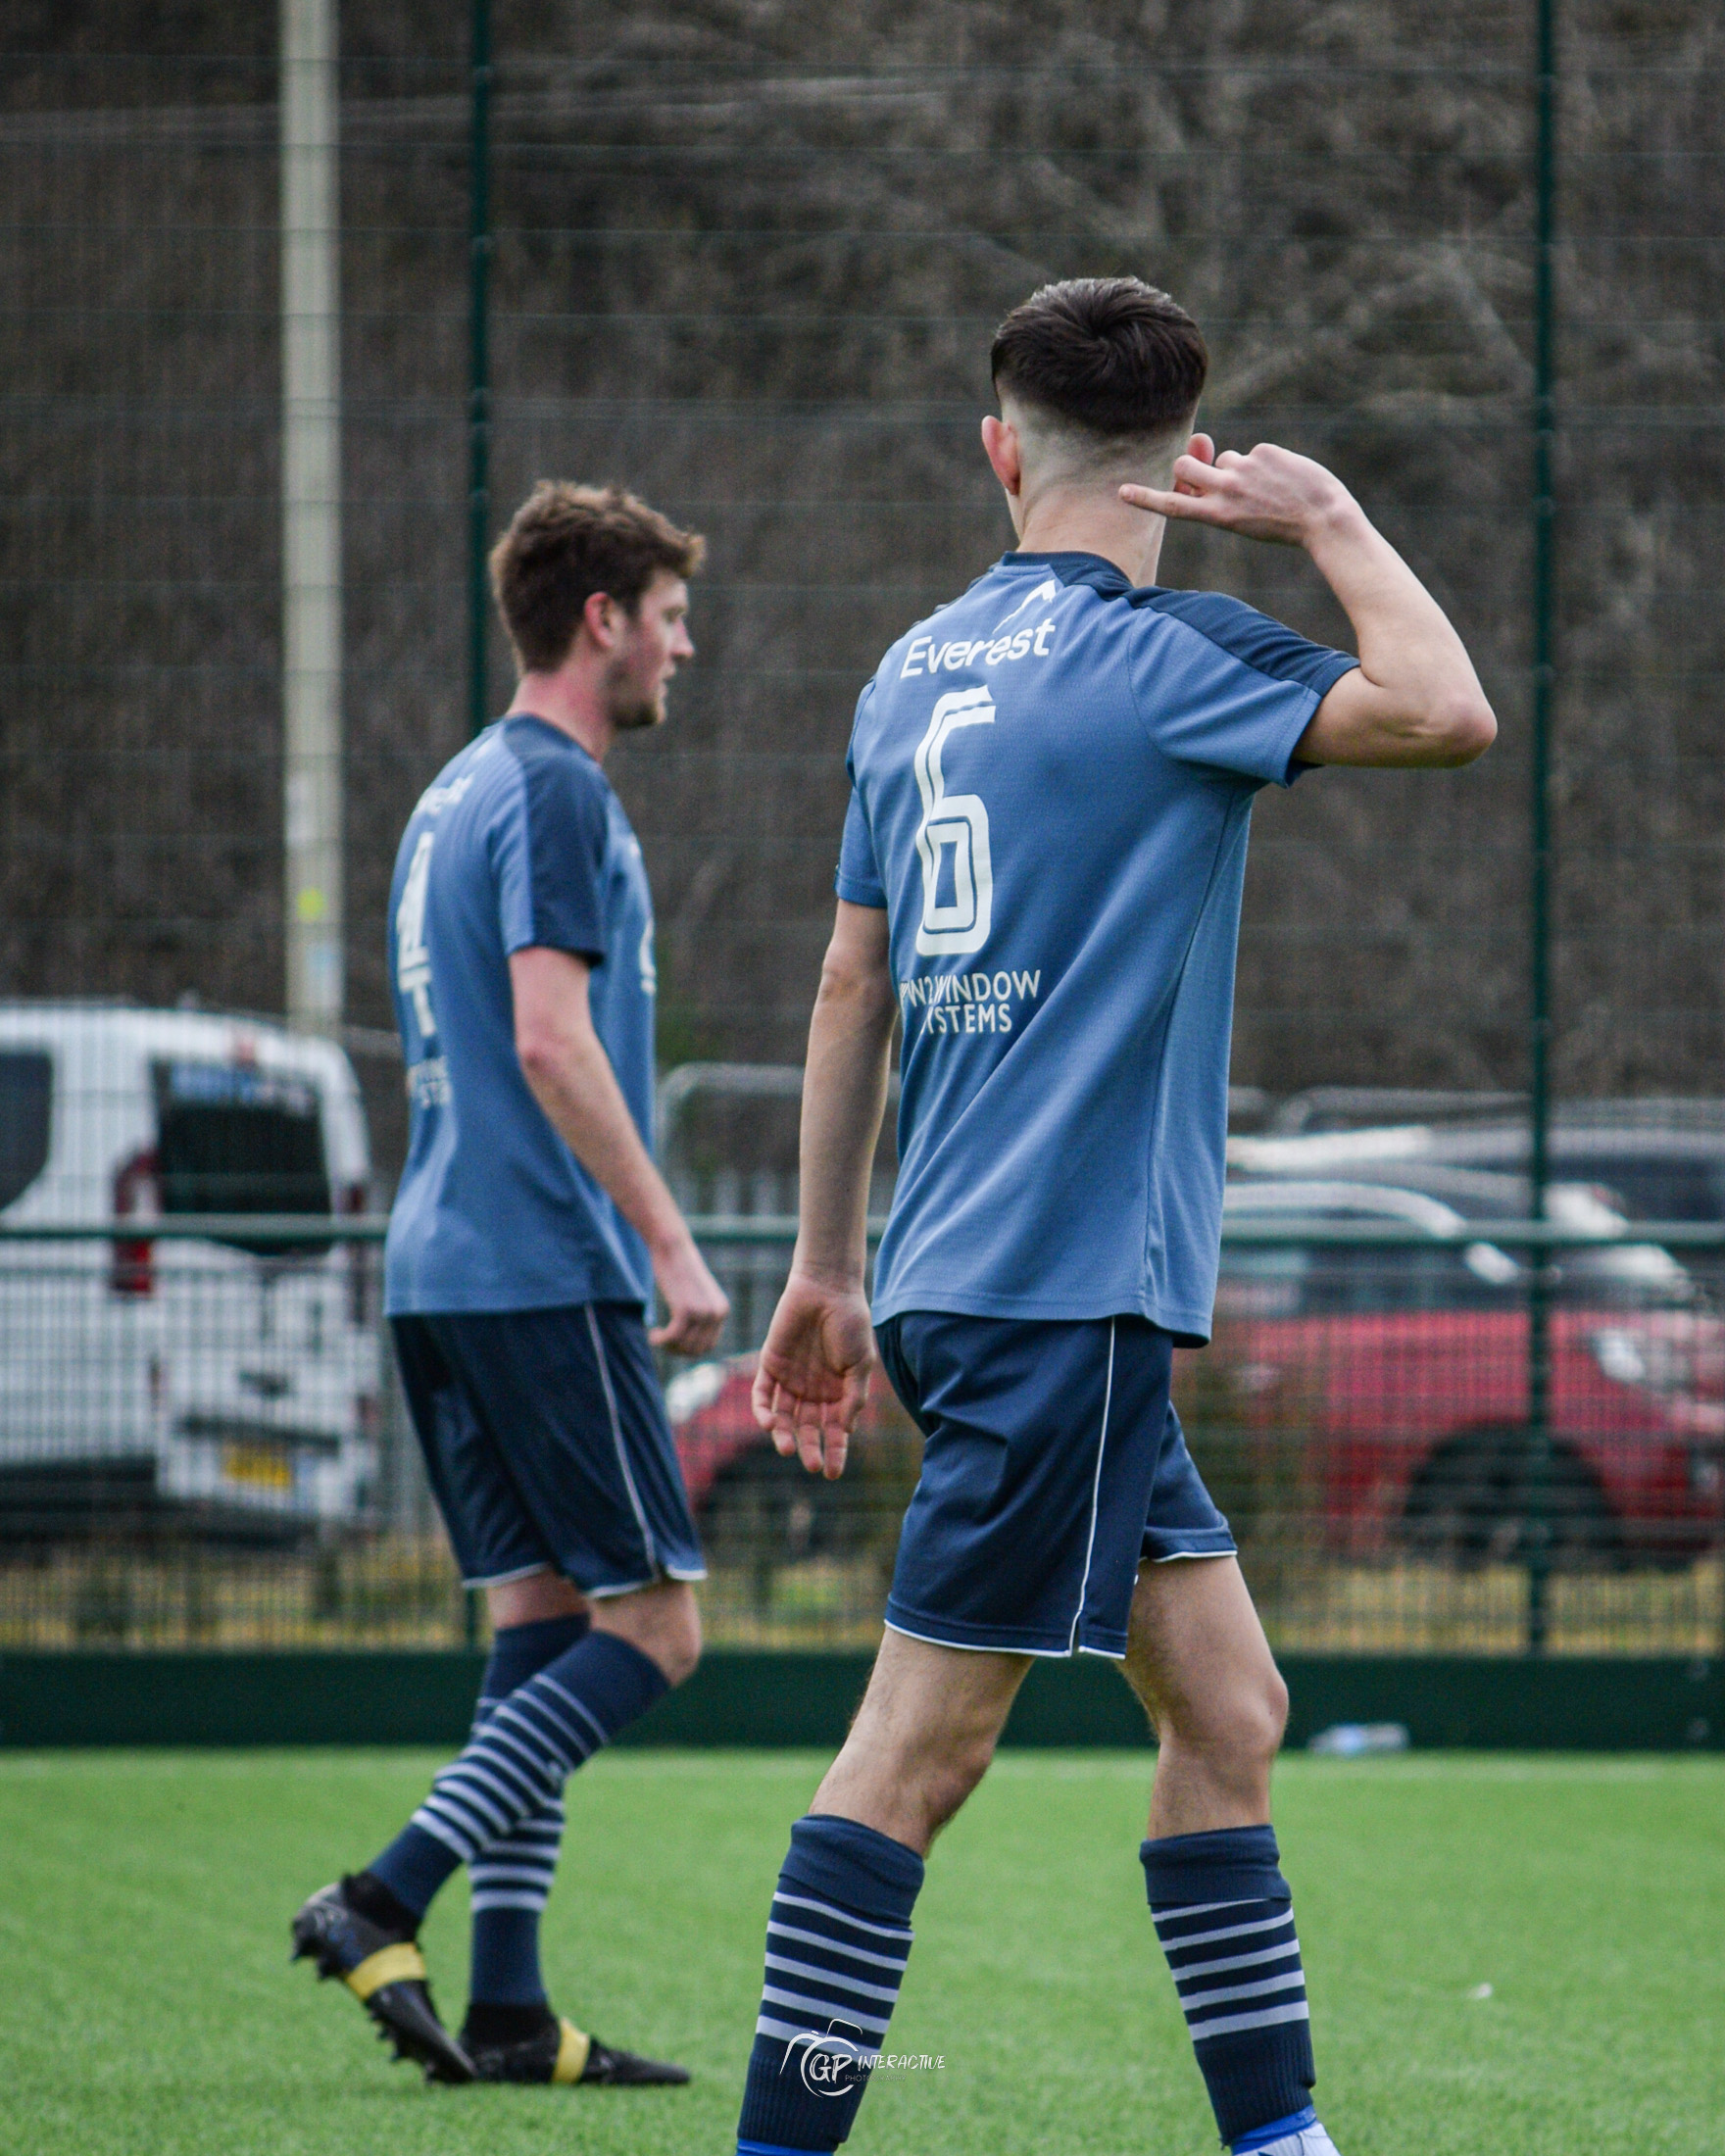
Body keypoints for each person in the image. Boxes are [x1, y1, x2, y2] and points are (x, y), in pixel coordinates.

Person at [731, 278, 1496, 2156]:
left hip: (962, 1280)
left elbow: (851, 990)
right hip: (1070, 1296)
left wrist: (827, 1270)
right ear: (1185, 469)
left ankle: (1278, 2140)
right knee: (918, 1757)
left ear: (1001, 449)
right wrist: (1323, 519)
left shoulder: (907, 674)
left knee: (1229, 1706)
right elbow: (1449, 710)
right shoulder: (1181, 663)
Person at [292, 480, 730, 2090]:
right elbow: (550, 1040)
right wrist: (669, 1240)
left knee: (545, 1622)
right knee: (662, 1629)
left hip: (440, 1266)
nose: (687, 647)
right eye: (670, 617)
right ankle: (380, 1894)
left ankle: (509, 2007)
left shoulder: (450, 792)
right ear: (601, 622)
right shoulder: (553, 791)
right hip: (543, 1268)